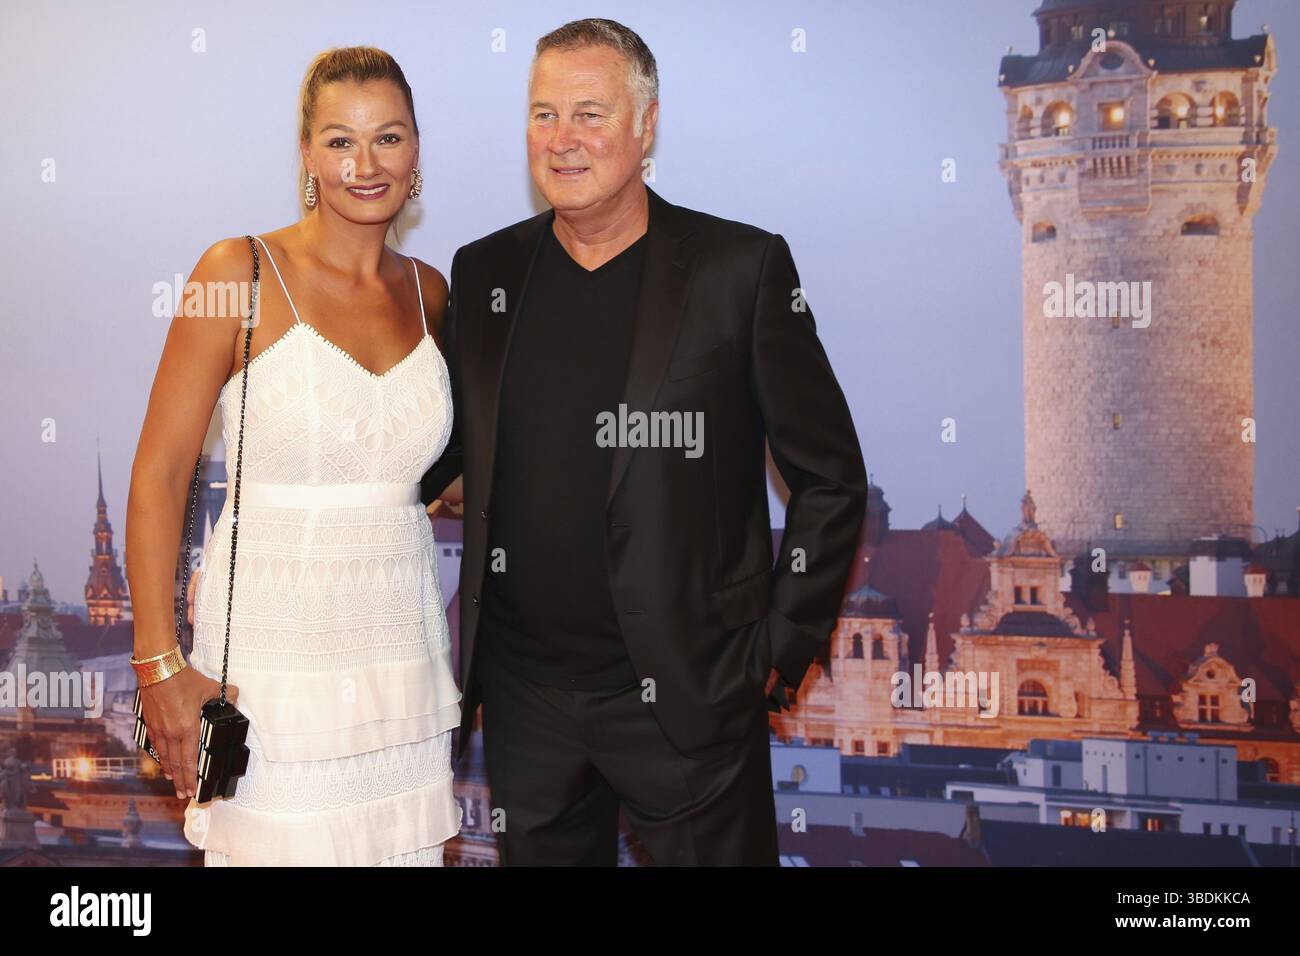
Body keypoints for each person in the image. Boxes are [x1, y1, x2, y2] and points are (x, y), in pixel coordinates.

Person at [420, 18, 867, 865]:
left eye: (590, 113)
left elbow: (832, 478)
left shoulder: (741, 269)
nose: (562, 141)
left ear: (646, 123)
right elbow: (455, 460)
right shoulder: (485, 274)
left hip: (690, 696)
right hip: (525, 703)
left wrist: (775, 652)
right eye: (543, 115)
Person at [126, 46, 462, 866]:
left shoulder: (433, 292)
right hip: (272, 665)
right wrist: (159, 665)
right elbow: (161, 475)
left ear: (417, 152)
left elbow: (412, 472)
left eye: (388, 137)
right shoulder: (233, 272)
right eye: (340, 141)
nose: (365, 164)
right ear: (306, 153)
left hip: (401, 661)